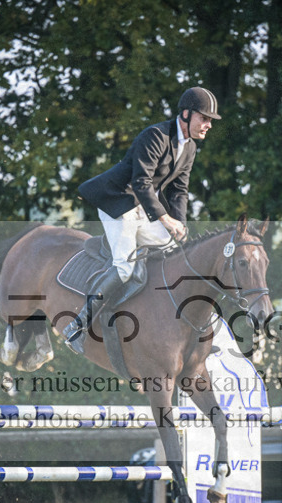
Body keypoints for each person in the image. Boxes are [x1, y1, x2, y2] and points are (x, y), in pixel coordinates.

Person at [64, 86, 221, 354]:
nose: (208, 125)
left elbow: (179, 191)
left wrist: (180, 224)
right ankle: (77, 326)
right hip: (119, 202)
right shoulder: (156, 136)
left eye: (210, 120)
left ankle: (183, 330)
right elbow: (140, 182)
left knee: (175, 255)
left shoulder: (190, 147)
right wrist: (166, 219)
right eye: (204, 118)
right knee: (125, 269)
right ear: (185, 114)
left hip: (143, 207)